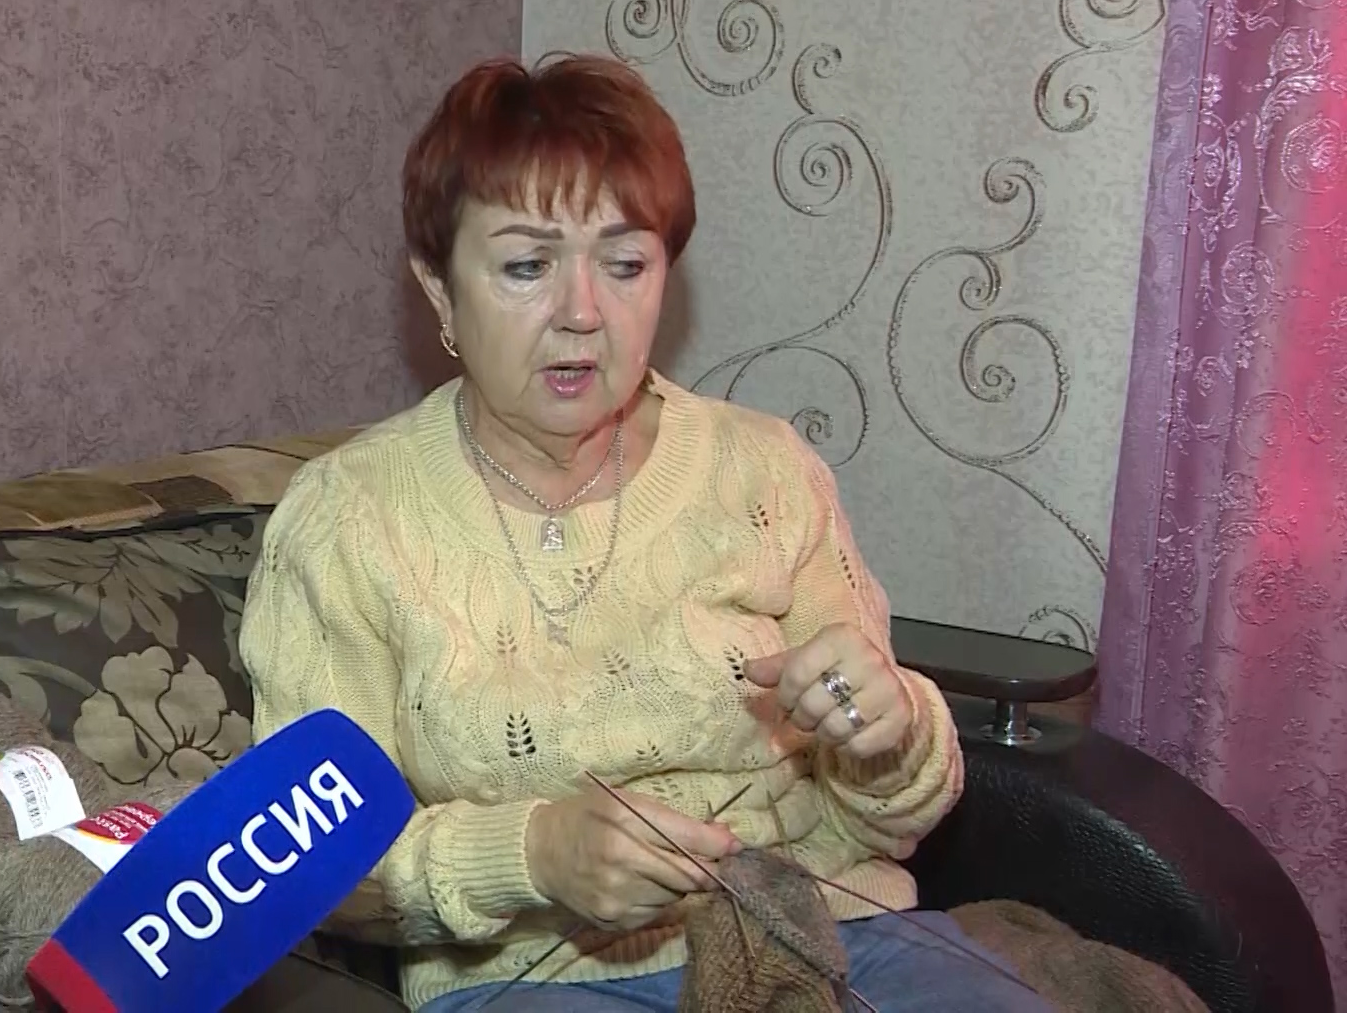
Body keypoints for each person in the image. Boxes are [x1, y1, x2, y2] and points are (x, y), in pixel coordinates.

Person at [236, 54, 1051, 1013]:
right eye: (527, 267)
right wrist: (531, 855)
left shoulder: (767, 471)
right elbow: (312, 871)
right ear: (441, 291)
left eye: (625, 265)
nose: (583, 314)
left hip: (837, 935)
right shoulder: (348, 520)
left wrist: (893, 730)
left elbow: (885, 821)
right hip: (535, 981)